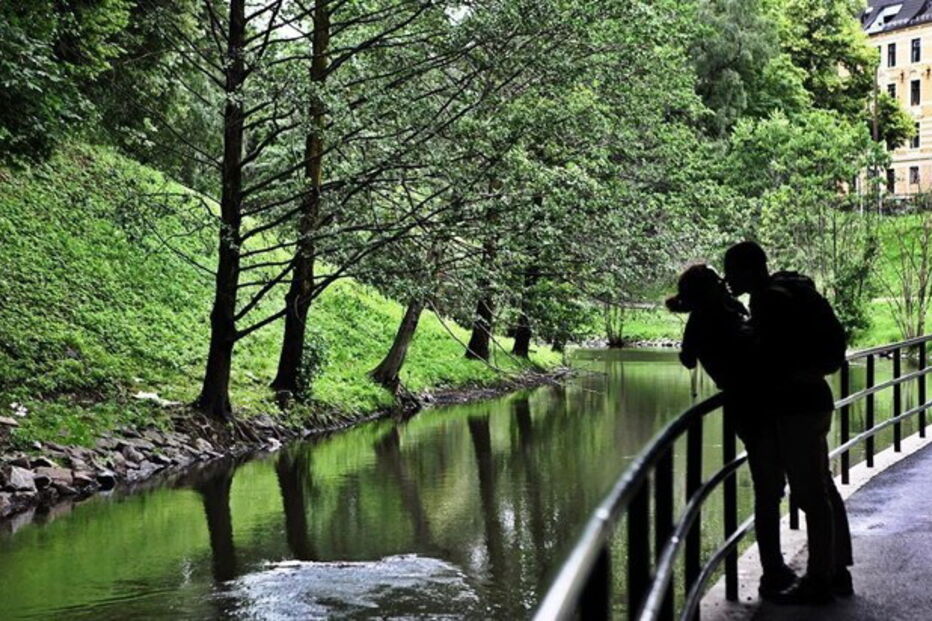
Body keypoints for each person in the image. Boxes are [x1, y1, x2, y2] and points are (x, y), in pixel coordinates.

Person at [723, 241, 853, 605]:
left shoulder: (767, 300)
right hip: (814, 399)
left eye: (732, 271)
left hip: (795, 406)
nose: (728, 279)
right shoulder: (790, 291)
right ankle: (836, 570)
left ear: (751, 270)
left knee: (810, 494)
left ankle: (819, 580)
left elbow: (769, 358)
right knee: (821, 486)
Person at [667, 264, 797, 599]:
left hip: (753, 405)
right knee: (770, 487)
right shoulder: (718, 315)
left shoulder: (709, 317)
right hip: (757, 406)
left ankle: (775, 567)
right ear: (706, 288)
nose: (724, 282)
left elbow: (687, 359)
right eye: (716, 279)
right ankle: (773, 570)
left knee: (771, 486)